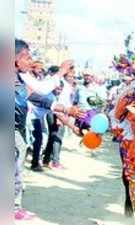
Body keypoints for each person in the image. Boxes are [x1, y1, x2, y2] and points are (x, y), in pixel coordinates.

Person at [14, 38, 83, 220]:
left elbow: (41, 94)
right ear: (15, 59)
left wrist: (68, 110)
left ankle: (14, 207)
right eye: (27, 58)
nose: (30, 62)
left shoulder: (22, 78)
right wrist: (60, 71)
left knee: (16, 170)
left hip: (18, 132)